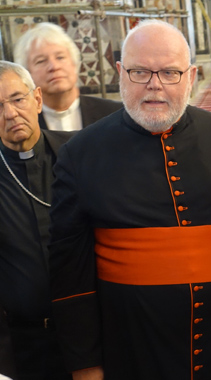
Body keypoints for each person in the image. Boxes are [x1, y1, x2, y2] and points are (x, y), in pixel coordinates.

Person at [48, 20, 211, 380]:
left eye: (170, 72)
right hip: (133, 348)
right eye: (140, 71)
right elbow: (69, 272)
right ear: (121, 72)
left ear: (191, 76)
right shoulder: (79, 154)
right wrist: (85, 364)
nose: (155, 85)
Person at [0, 61, 74, 380]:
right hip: (22, 347)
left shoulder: (78, 154)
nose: (10, 113)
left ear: (38, 100)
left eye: (18, 99)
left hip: (88, 336)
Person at [13, 22, 122, 131]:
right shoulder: (20, 125)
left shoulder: (115, 114)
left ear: (74, 64)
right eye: (41, 61)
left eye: (60, 57)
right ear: (27, 74)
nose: (54, 66)